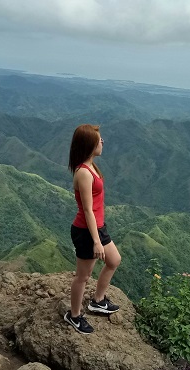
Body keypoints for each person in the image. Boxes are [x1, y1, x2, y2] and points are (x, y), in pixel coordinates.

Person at [65, 124, 121, 334]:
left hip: (97, 227)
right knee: (83, 276)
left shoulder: (92, 167)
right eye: (99, 140)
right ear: (89, 144)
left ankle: (98, 300)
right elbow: (87, 210)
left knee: (114, 260)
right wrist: (96, 240)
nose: (102, 142)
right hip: (86, 231)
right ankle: (74, 315)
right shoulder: (84, 173)